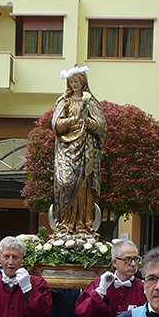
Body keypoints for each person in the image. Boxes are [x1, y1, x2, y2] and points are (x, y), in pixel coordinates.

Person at [52, 66, 106, 234]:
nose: (74, 84)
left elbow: (101, 126)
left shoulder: (90, 102)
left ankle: (83, 223)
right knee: (65, 183)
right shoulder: (64, 101)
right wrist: (72, 120)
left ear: (83, 83)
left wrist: (88, 122)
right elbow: (56, 125)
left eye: (77, 81)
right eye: (71, 82)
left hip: (85, 150)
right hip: (66, 149)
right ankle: (66, 222)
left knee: (83, 186)